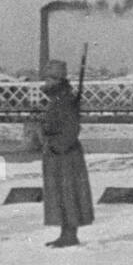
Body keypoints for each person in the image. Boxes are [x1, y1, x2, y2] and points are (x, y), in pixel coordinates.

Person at [39, 59, 94, 247]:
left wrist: (57, 146)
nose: (46, 82)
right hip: (59, 152)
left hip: (65, 154)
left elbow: (71, 128)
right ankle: (65, 233)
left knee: (69, 194)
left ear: (56, 80)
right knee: (61, 194)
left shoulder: (64, 99)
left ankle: (70, 234)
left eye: (49, 78)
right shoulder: (60, 98)